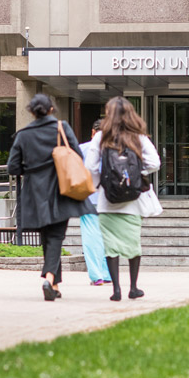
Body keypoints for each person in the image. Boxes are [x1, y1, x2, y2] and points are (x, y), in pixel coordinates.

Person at [8, 94, 95, 301]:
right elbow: (78, 156)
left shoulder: (23, 135)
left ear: (31, 112)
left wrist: (31, 169)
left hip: (34, 191)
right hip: (60, 187)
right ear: (51, 110)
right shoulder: (61, 128)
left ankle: (54, 284)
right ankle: (48, 278)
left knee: (47, 236)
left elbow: (13, 166)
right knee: (56, 235)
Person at [83, 97, 160, 301]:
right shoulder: (139, 137)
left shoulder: (100, 137)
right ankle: (133, 287)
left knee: (111, 246)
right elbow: (155, 163)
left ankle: (116, 289)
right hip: (133, 202)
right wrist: (134, 173)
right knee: (133, 244)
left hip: (107, 201)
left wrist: (103, 182)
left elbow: (90, 167)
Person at [79, 119, 110, 286]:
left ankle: (96, 275)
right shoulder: (114, 150)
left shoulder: (82, 149)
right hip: (110, 198)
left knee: (91, 235)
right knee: (107, 235)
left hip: (88, 197)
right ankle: (107, 273)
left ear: (93, 132)